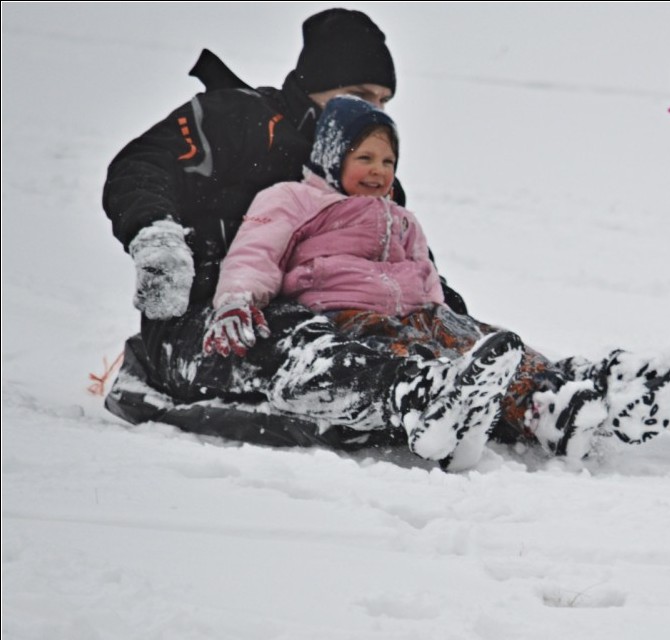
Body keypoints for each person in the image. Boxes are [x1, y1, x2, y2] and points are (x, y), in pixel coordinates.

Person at [202, 95, 670, 470]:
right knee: (402, 350)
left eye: (387, 160)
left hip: (416, 312)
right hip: (340, 311)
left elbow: (425, 276)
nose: (377, 170)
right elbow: (255, 252)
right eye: (363, 157)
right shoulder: (293, 200)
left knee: (477, 338)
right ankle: (437, 403)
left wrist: (448, 320)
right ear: (330, 156)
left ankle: (581, 396)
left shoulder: (401, 216)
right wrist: (236, 302)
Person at [101, 8, 465, 448]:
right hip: (212, 324)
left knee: (440, 338)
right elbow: (143, 166)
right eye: (359, 93)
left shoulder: (365, 170)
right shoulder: (237, 116)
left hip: (336, 321)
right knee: (297, 339)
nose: (375, 111)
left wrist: (450, 320)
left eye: (384, 100)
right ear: (316, 85)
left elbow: (399, 262)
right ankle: (410, 394)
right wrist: (157, 240)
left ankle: (533, 403)